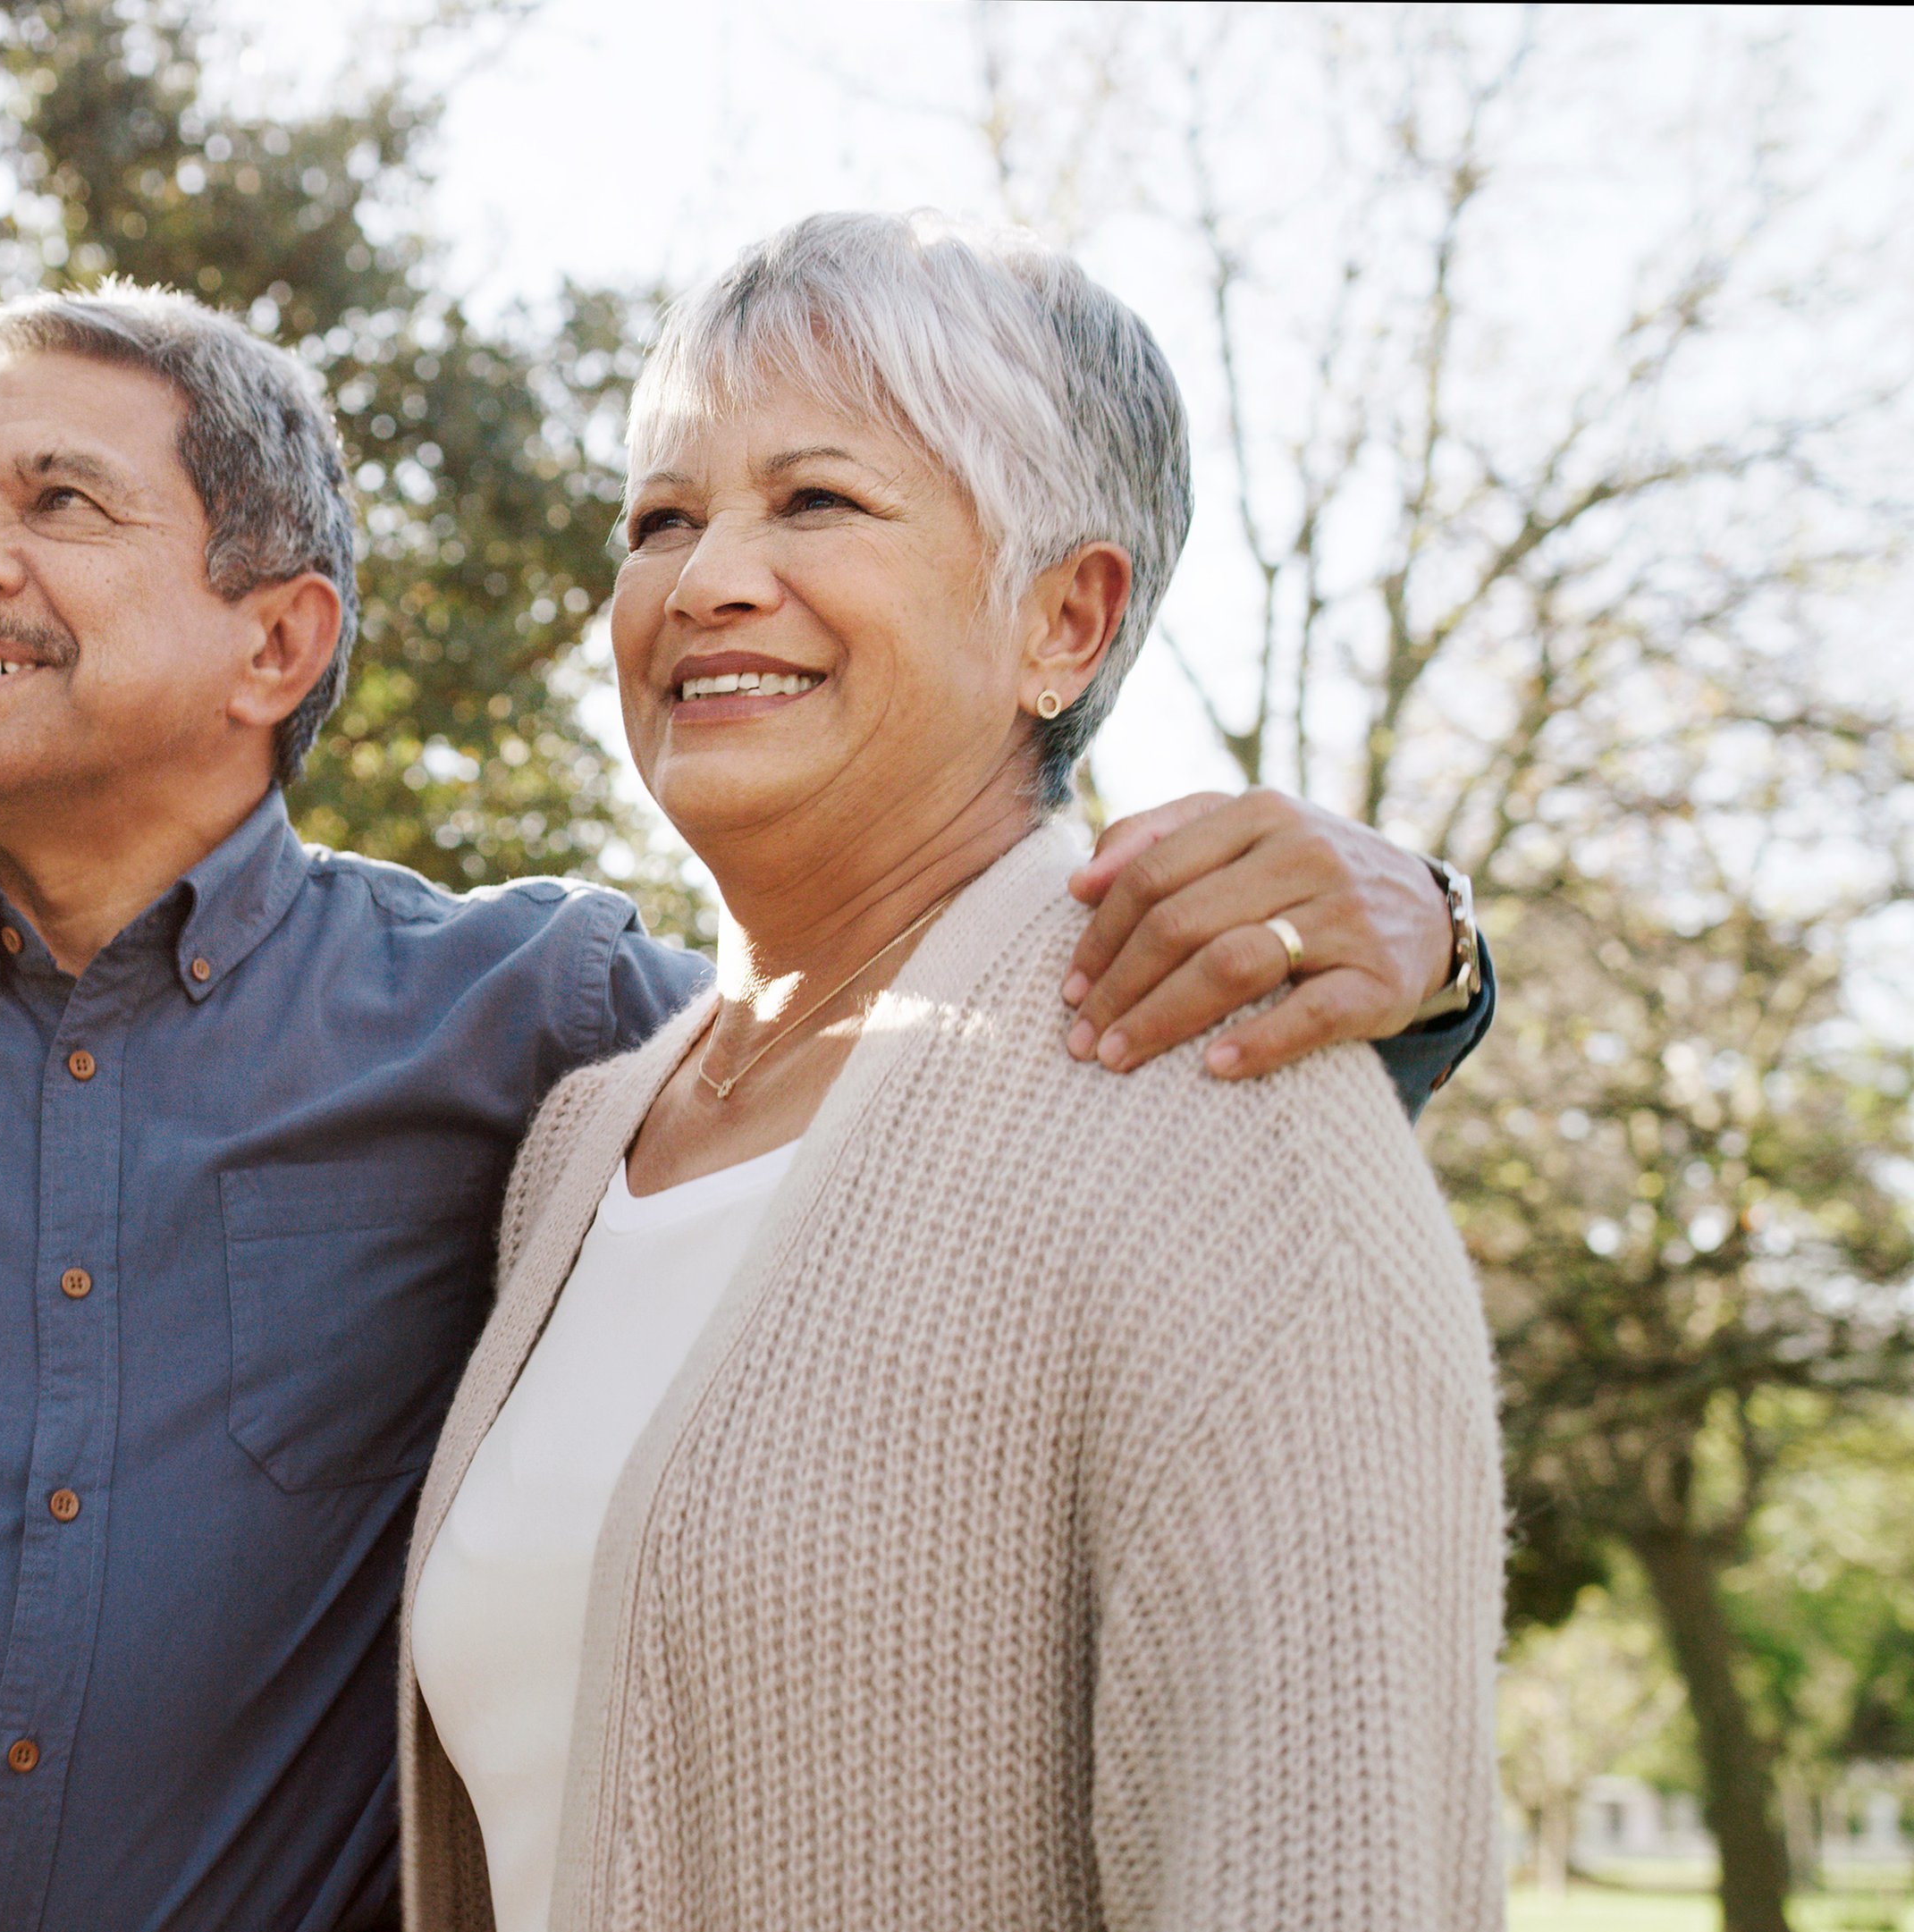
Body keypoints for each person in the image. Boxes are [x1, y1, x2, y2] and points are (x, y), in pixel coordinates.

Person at [0, 280, 1494, 1930]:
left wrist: (1423, 953)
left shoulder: (547, 1036)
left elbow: (941, 1085)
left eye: (57, 504)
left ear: (275, 639)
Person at [401, 213, 1502, 1932]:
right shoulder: (580, 1143)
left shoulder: (1235, 1113)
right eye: (662, 519)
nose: (704, 581)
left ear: (1065, 619)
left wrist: (1440, 936)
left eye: (816, 500)